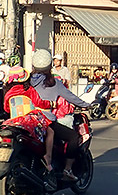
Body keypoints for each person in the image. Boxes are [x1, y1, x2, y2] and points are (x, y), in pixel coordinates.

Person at [29, 49, 90, 182]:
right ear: (50, 65)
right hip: (45, 120)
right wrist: (86, 104)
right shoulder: (53, 82)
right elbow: (71, 97)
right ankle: (67, 169)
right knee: (73, 136)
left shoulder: (27, 80)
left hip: (28, 120)